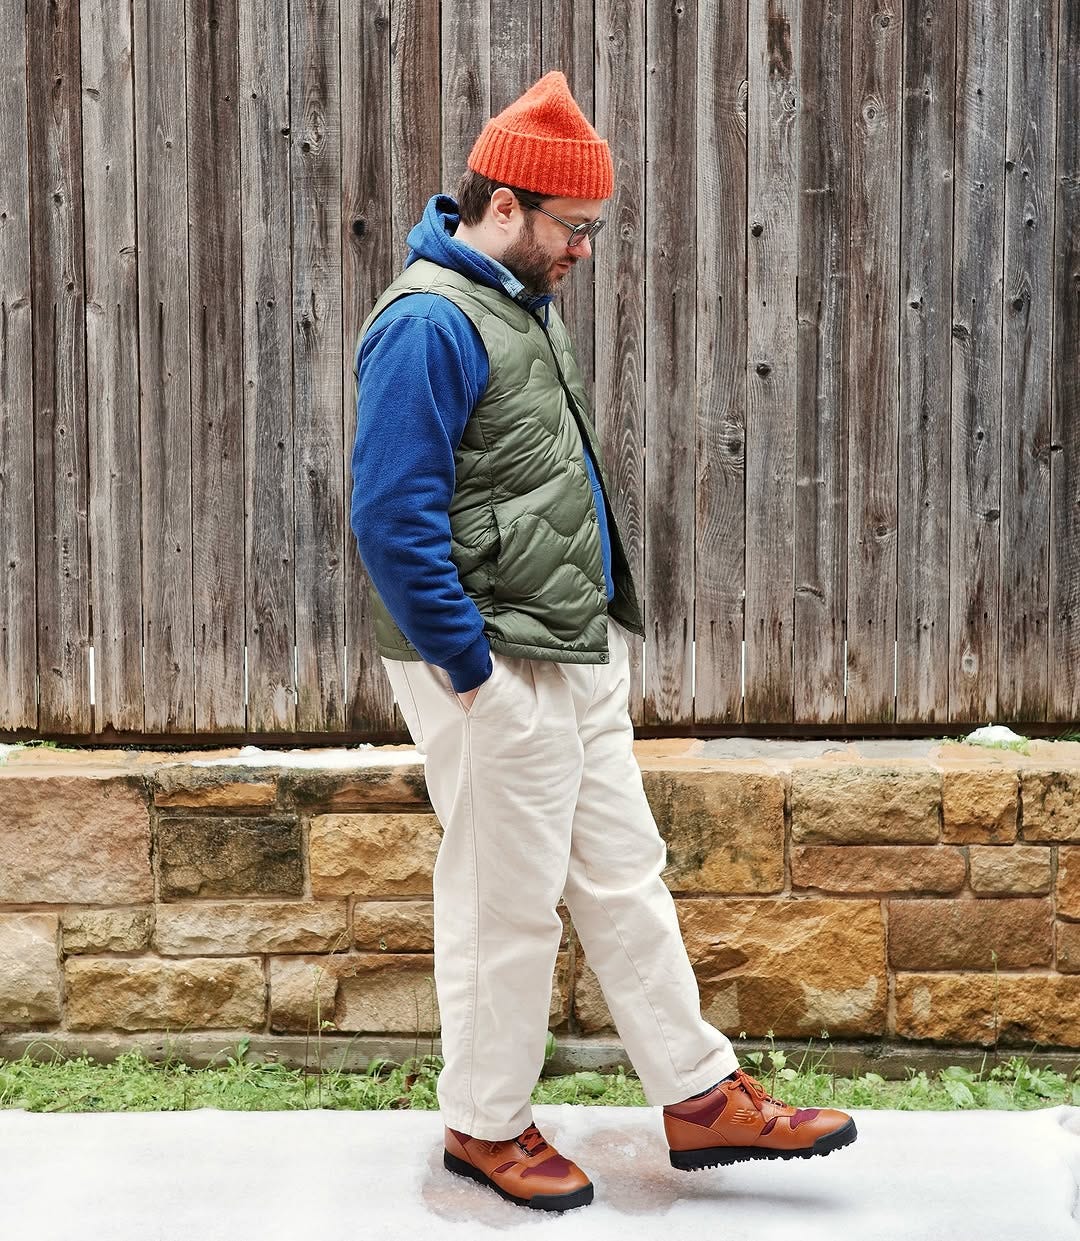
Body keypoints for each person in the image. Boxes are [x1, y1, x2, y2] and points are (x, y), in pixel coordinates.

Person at [350, 70, 856, 1214]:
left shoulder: (514, 301)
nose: (585, 249)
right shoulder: (431, 320)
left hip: (565, 643)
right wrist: (470, 671)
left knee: (624, 872)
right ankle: (484, 1125)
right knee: (504, 899)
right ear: (509, 205)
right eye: (575, 228)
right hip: (493, 658)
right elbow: (389, 515)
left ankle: (698, 1092)